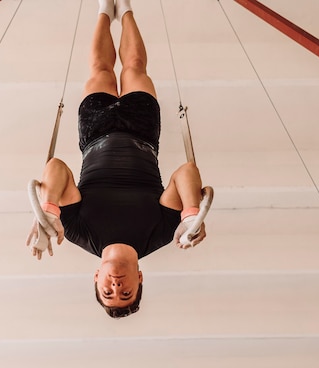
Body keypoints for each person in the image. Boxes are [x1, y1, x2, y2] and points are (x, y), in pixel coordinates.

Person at [27, 0, 206, 318]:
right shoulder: (163, 233)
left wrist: (48, 209)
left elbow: (56, 169)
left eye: (107, 292)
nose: (116, 286)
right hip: (143, 130)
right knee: (135, 65)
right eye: (126, 292)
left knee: (101, 69)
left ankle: (102, 9)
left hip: (95, 131)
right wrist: (191, 215)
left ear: (96, 278)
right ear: (140, 279)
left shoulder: (76, 231)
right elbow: (185, 172)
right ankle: (124, 9)